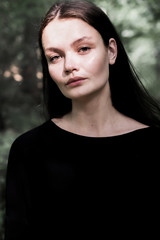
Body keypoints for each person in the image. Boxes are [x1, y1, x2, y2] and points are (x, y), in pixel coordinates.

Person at [5, 0, 160, 239]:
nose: (69, 65)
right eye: (55, 57)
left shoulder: (155, 146)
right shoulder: (29, 151)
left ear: (111, 51)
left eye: (83, 49)